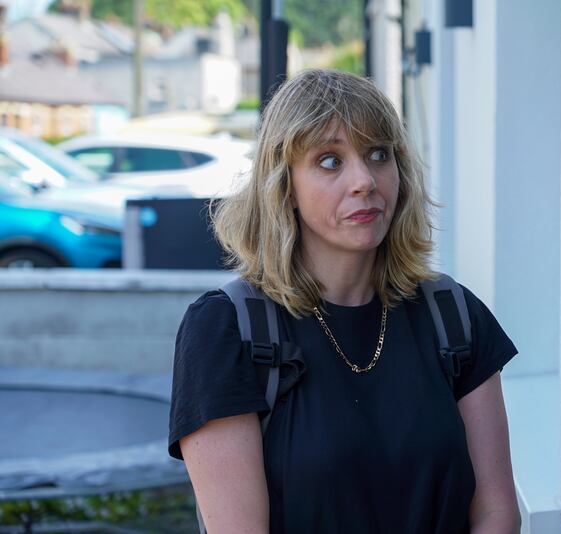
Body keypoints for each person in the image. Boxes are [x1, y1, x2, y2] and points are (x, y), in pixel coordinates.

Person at [168, 69, 521, 534]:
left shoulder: (453, 315)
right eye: (330, 161)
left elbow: (496, 512)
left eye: (378, 154)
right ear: (284, 186)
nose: (364, 181)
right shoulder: (225, 331)